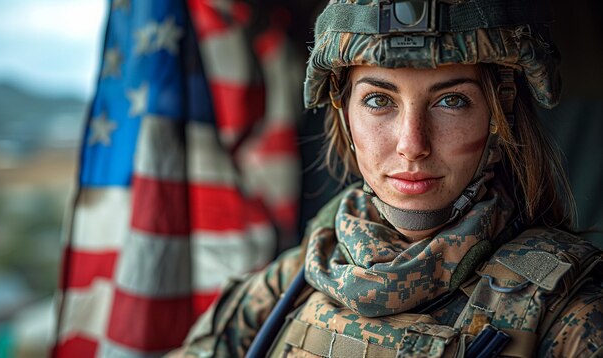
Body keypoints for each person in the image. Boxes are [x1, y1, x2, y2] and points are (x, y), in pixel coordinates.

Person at [171, 0, 603, 356]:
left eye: (451, 100)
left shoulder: (567, 314)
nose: (412, 144)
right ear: (345, 115)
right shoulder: (300, 274)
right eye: (379, 100)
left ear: (498, 116)